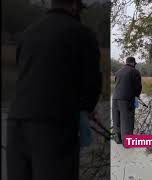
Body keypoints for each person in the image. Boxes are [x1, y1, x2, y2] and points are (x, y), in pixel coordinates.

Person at [6, 0, 102, 179]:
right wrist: (87, 108)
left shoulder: (28, 33)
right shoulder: (82, 34)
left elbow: (26, 76)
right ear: (74, 5)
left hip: (15, 125)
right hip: (53, 129)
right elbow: (92, 84)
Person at [112, 57, 142, 144]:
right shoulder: (135, 72)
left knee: (116, 120)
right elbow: (138, 87)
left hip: (115, 99)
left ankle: (118, 140)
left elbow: (118, 84)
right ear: (132, 63)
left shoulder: (118, 72)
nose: (135, 65)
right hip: (126, 100)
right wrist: (136, 97)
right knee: (127, 121)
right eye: (135, 64)